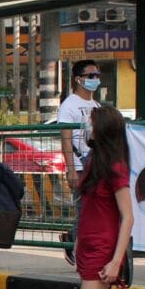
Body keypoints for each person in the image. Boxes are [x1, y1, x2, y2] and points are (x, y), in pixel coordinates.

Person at [41, 106, 145, 289]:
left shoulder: (115, 167)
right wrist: (77, 241)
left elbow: (127, 217)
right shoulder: (94, 163)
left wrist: (116, 260)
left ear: (103, 129)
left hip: (103, 249)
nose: (85, 127)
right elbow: (89, 209)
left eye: (89, 123)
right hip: (88, 245)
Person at [57, 60, 101, 266]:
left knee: (94, 209)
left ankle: (79, 243)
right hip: (80, 165)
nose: (95, 79)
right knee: (83, 209)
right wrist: (71, 169)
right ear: (78, 79)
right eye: (91, 76)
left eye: (97, 75)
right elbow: (66, 139)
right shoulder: (69, 106)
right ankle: (73, 243)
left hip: (95, 164)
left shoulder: (96, 106)